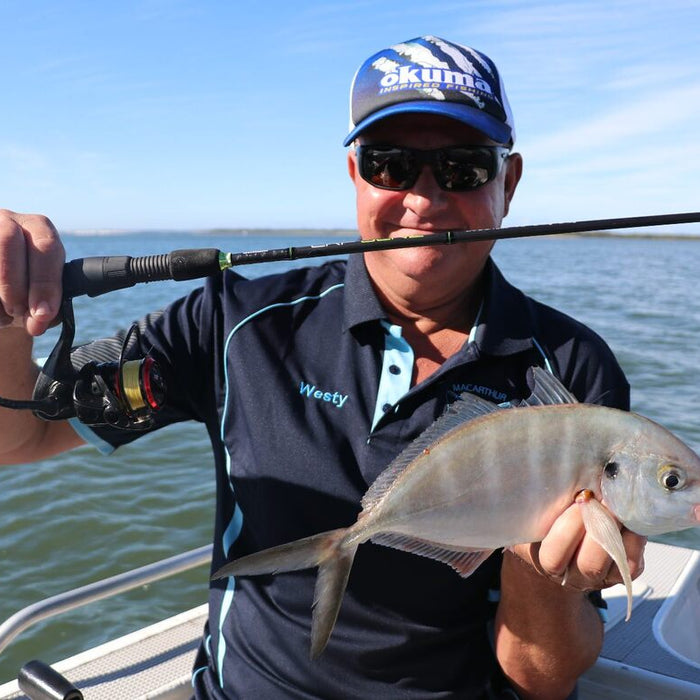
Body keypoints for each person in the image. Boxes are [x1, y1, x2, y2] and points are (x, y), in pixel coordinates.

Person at [0, 36, 646, 700]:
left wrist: (540, 570)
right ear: (354, 176)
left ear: (506, 184)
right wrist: (9, 316)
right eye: (390, 164)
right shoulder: (232, 322)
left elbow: (542, 680)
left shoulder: (570, 372)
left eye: (463, 168)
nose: (424, 199)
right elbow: (20, 436)